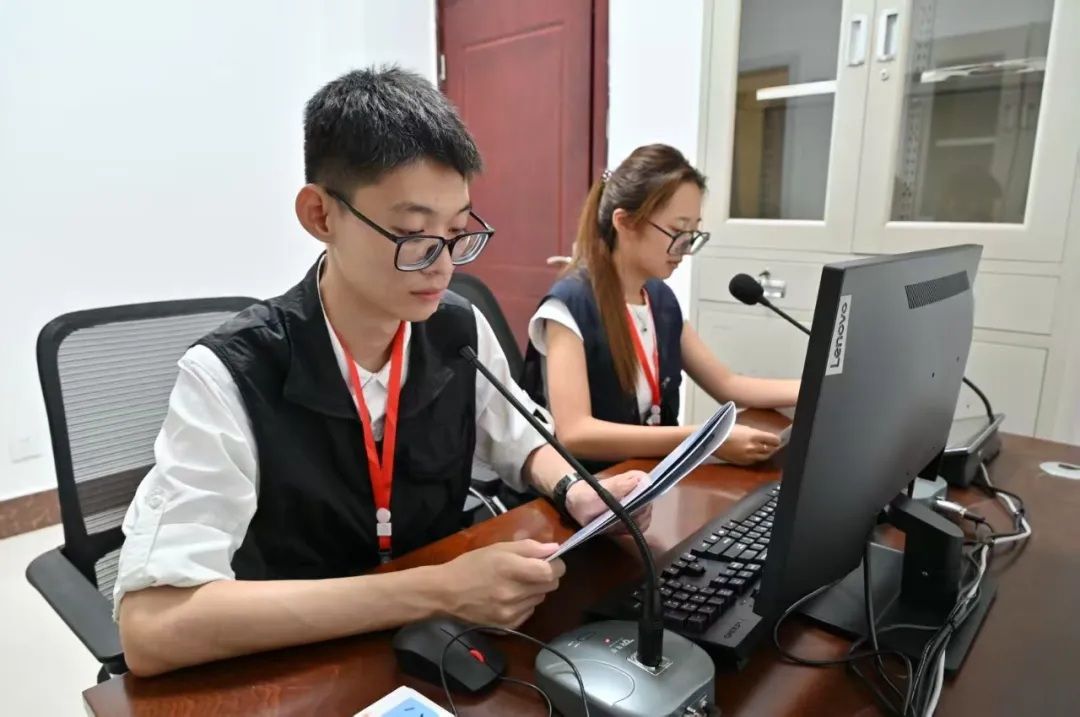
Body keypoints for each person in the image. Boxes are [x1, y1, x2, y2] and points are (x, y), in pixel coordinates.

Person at [114, 67, 647, 677]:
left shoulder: (457, 329)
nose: (443, 266)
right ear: (321, 215)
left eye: (457, 232)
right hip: (295, 664)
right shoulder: (231, 373)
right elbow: (152, 628)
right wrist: (435, 590)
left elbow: (520, 437)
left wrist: (577, 490)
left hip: (439, 650)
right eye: (413, 234)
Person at [522, 144, 799, 470]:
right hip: (593, 488)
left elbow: (729, 385)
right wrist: (704, 439)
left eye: (692, 233)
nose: (685, 247)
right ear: (625, 222)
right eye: (677, 231)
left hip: (654, 476)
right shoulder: (570, 305)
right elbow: (576, 433)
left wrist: (821, 388)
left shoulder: (660, 299)